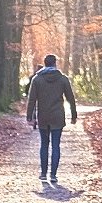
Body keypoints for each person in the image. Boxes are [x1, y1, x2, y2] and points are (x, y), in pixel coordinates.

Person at [25, 54, 77, 185]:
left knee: (44, 144)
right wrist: (74, 115)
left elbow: (32, 100)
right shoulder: (63, 79)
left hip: (43, 116)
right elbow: (70, 98)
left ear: (45, 63)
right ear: (55, 64)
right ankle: (53, 175)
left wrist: (29, 116)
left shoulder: (37, 79)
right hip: (57, 116)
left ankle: (43, 173)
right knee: (55, 145)